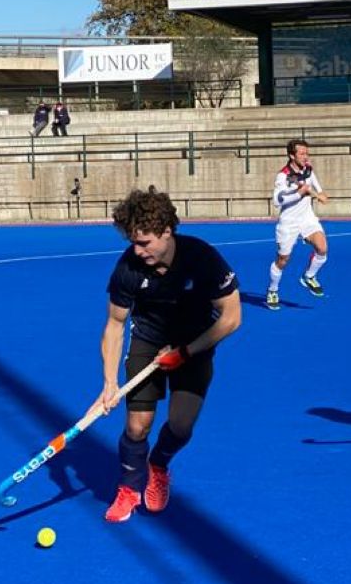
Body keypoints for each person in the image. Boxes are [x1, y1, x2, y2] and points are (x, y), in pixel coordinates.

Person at [94, 187, 242, 523]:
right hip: (148, 340)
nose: (137, 250)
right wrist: (108, 383)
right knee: (136, 426)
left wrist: (185, 352)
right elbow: (115, 325)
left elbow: (232, 317)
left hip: (195, 342)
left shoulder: (202, 259)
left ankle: (158, 464)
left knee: (180, 425)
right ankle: (129, 489)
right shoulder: (128, 268)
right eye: (132, 241)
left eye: (144, 242)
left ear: (166, 232)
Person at [265, 139, 330, 310]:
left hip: (307, 217)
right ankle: (273, 290)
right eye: (301, 153)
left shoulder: (308, 168)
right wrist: (299, 193)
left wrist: (320, 192)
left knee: (322, 248)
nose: (305, 156)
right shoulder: (283, 175)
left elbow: (313, 182)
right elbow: (277, 201)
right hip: (289, 222)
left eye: (306, 153)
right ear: (291, 155)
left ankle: (309, 276)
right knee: (282, 260)